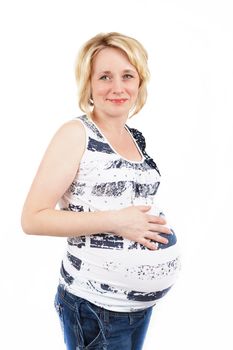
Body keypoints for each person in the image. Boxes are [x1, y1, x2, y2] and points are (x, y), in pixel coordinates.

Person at [21, 32, 181, 350]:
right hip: (97, 310)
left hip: (136, 309)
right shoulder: (75, 134)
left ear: (140, 82)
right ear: (89, 84)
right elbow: (32, 219)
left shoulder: (135, 138)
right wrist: (116, 221)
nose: (117, 87)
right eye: (104, 76)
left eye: (127, 76)